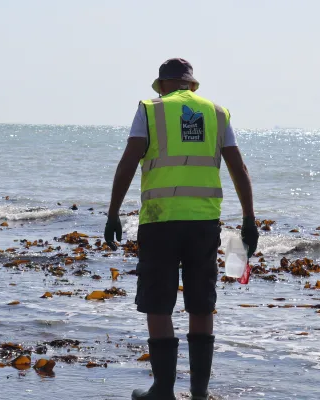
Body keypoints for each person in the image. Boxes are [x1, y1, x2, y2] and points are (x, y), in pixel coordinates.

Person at [103, 58, 259, 400]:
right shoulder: (217, 113)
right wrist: (249, 218)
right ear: (191, 85)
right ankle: (200, 393)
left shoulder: (150, 110)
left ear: (161, 85)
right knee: (201, 305)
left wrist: (113, 212)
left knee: (159, 304)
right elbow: (238, 168)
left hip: (159, 222)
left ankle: (163, 391)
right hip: (204, 223)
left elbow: (129, 161)